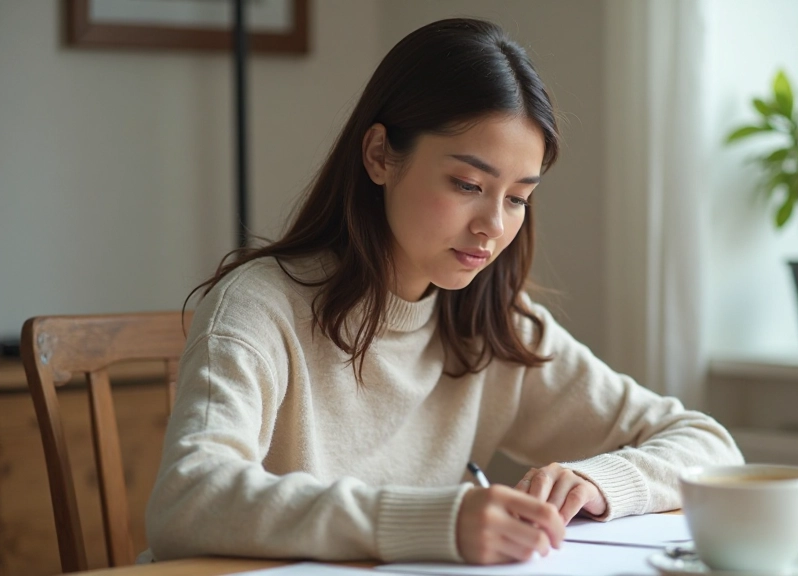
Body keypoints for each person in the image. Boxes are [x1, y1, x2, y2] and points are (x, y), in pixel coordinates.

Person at [144, 17, 743, 566]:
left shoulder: (489, 323)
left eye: (517, 198)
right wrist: (429, 520)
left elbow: (710, 446)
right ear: (380, 155)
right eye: (466, 183)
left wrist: (604, 482)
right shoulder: (260, 307)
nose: (493, 225)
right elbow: (188, 497)